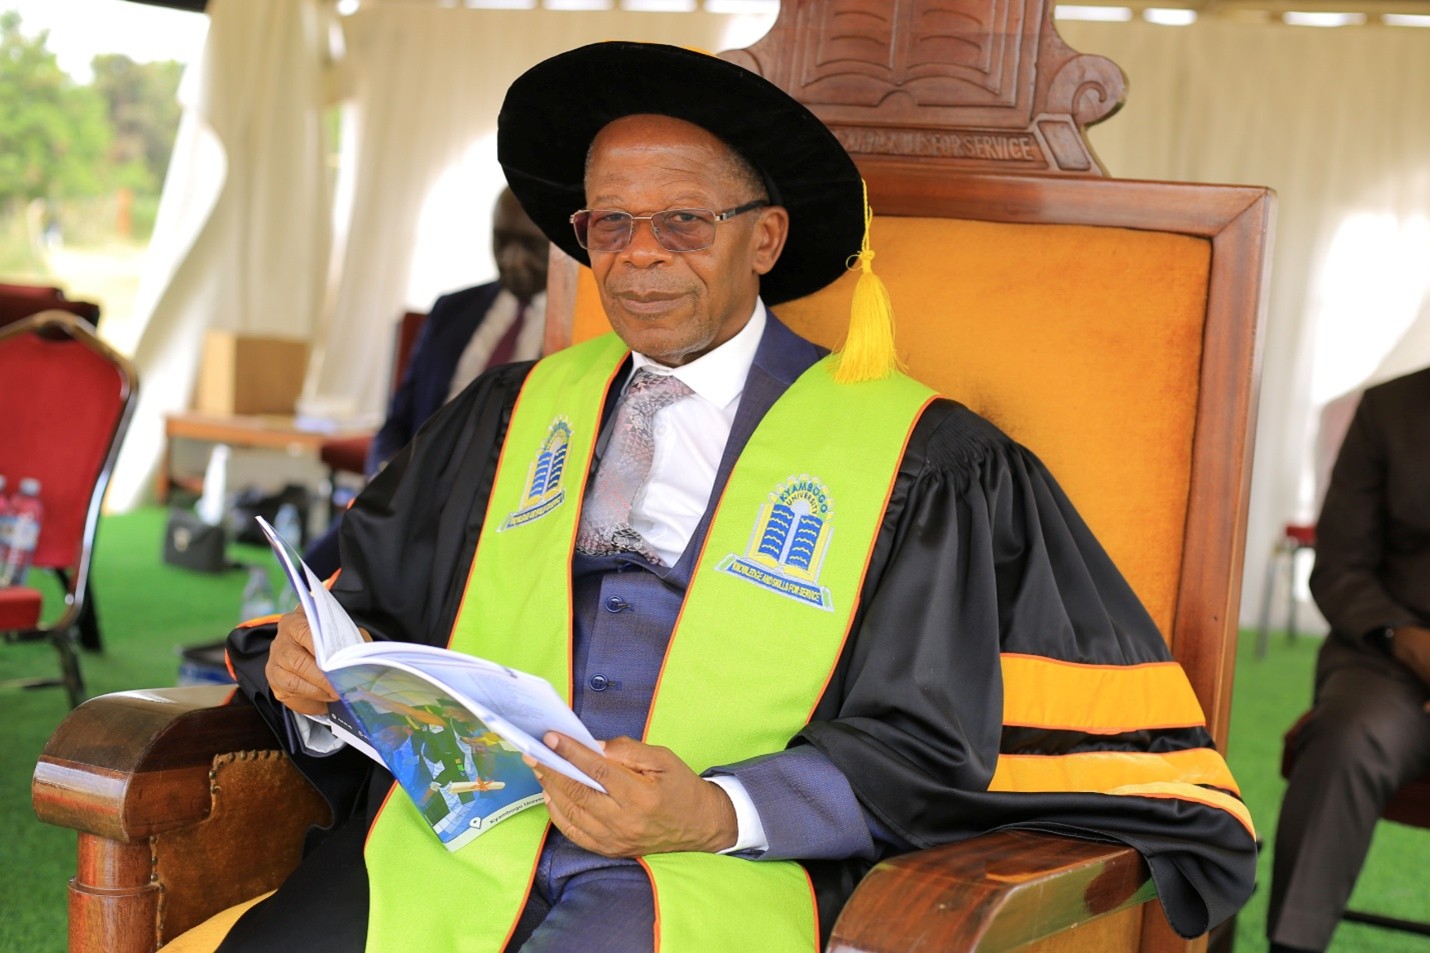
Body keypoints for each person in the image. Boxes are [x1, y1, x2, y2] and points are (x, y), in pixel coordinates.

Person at [222, 41, 1255, 953]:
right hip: (456, 846)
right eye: (611, 221)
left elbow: (934, 742)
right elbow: (373, 618)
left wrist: (716, 809)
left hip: (720, 869)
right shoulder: (506, 415)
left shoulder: (922, 462)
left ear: (763, 240)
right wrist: (320, 683)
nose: (636, 255)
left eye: (681, 221)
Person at [1267, 367, 1430, 953]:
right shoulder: (1389, 410)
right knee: (1347, 740)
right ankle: (1294, 946)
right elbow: (1339, 565)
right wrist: (1404, 637)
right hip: (1389, 656)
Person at [303, 186, 548, 576]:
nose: (512, 259)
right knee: (315, 571)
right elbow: (400, 416)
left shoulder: (579, 329)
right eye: (501, 241)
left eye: (530, 246)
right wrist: (384, 470)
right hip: (415, 491)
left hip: (499, 507)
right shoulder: (453, 310)